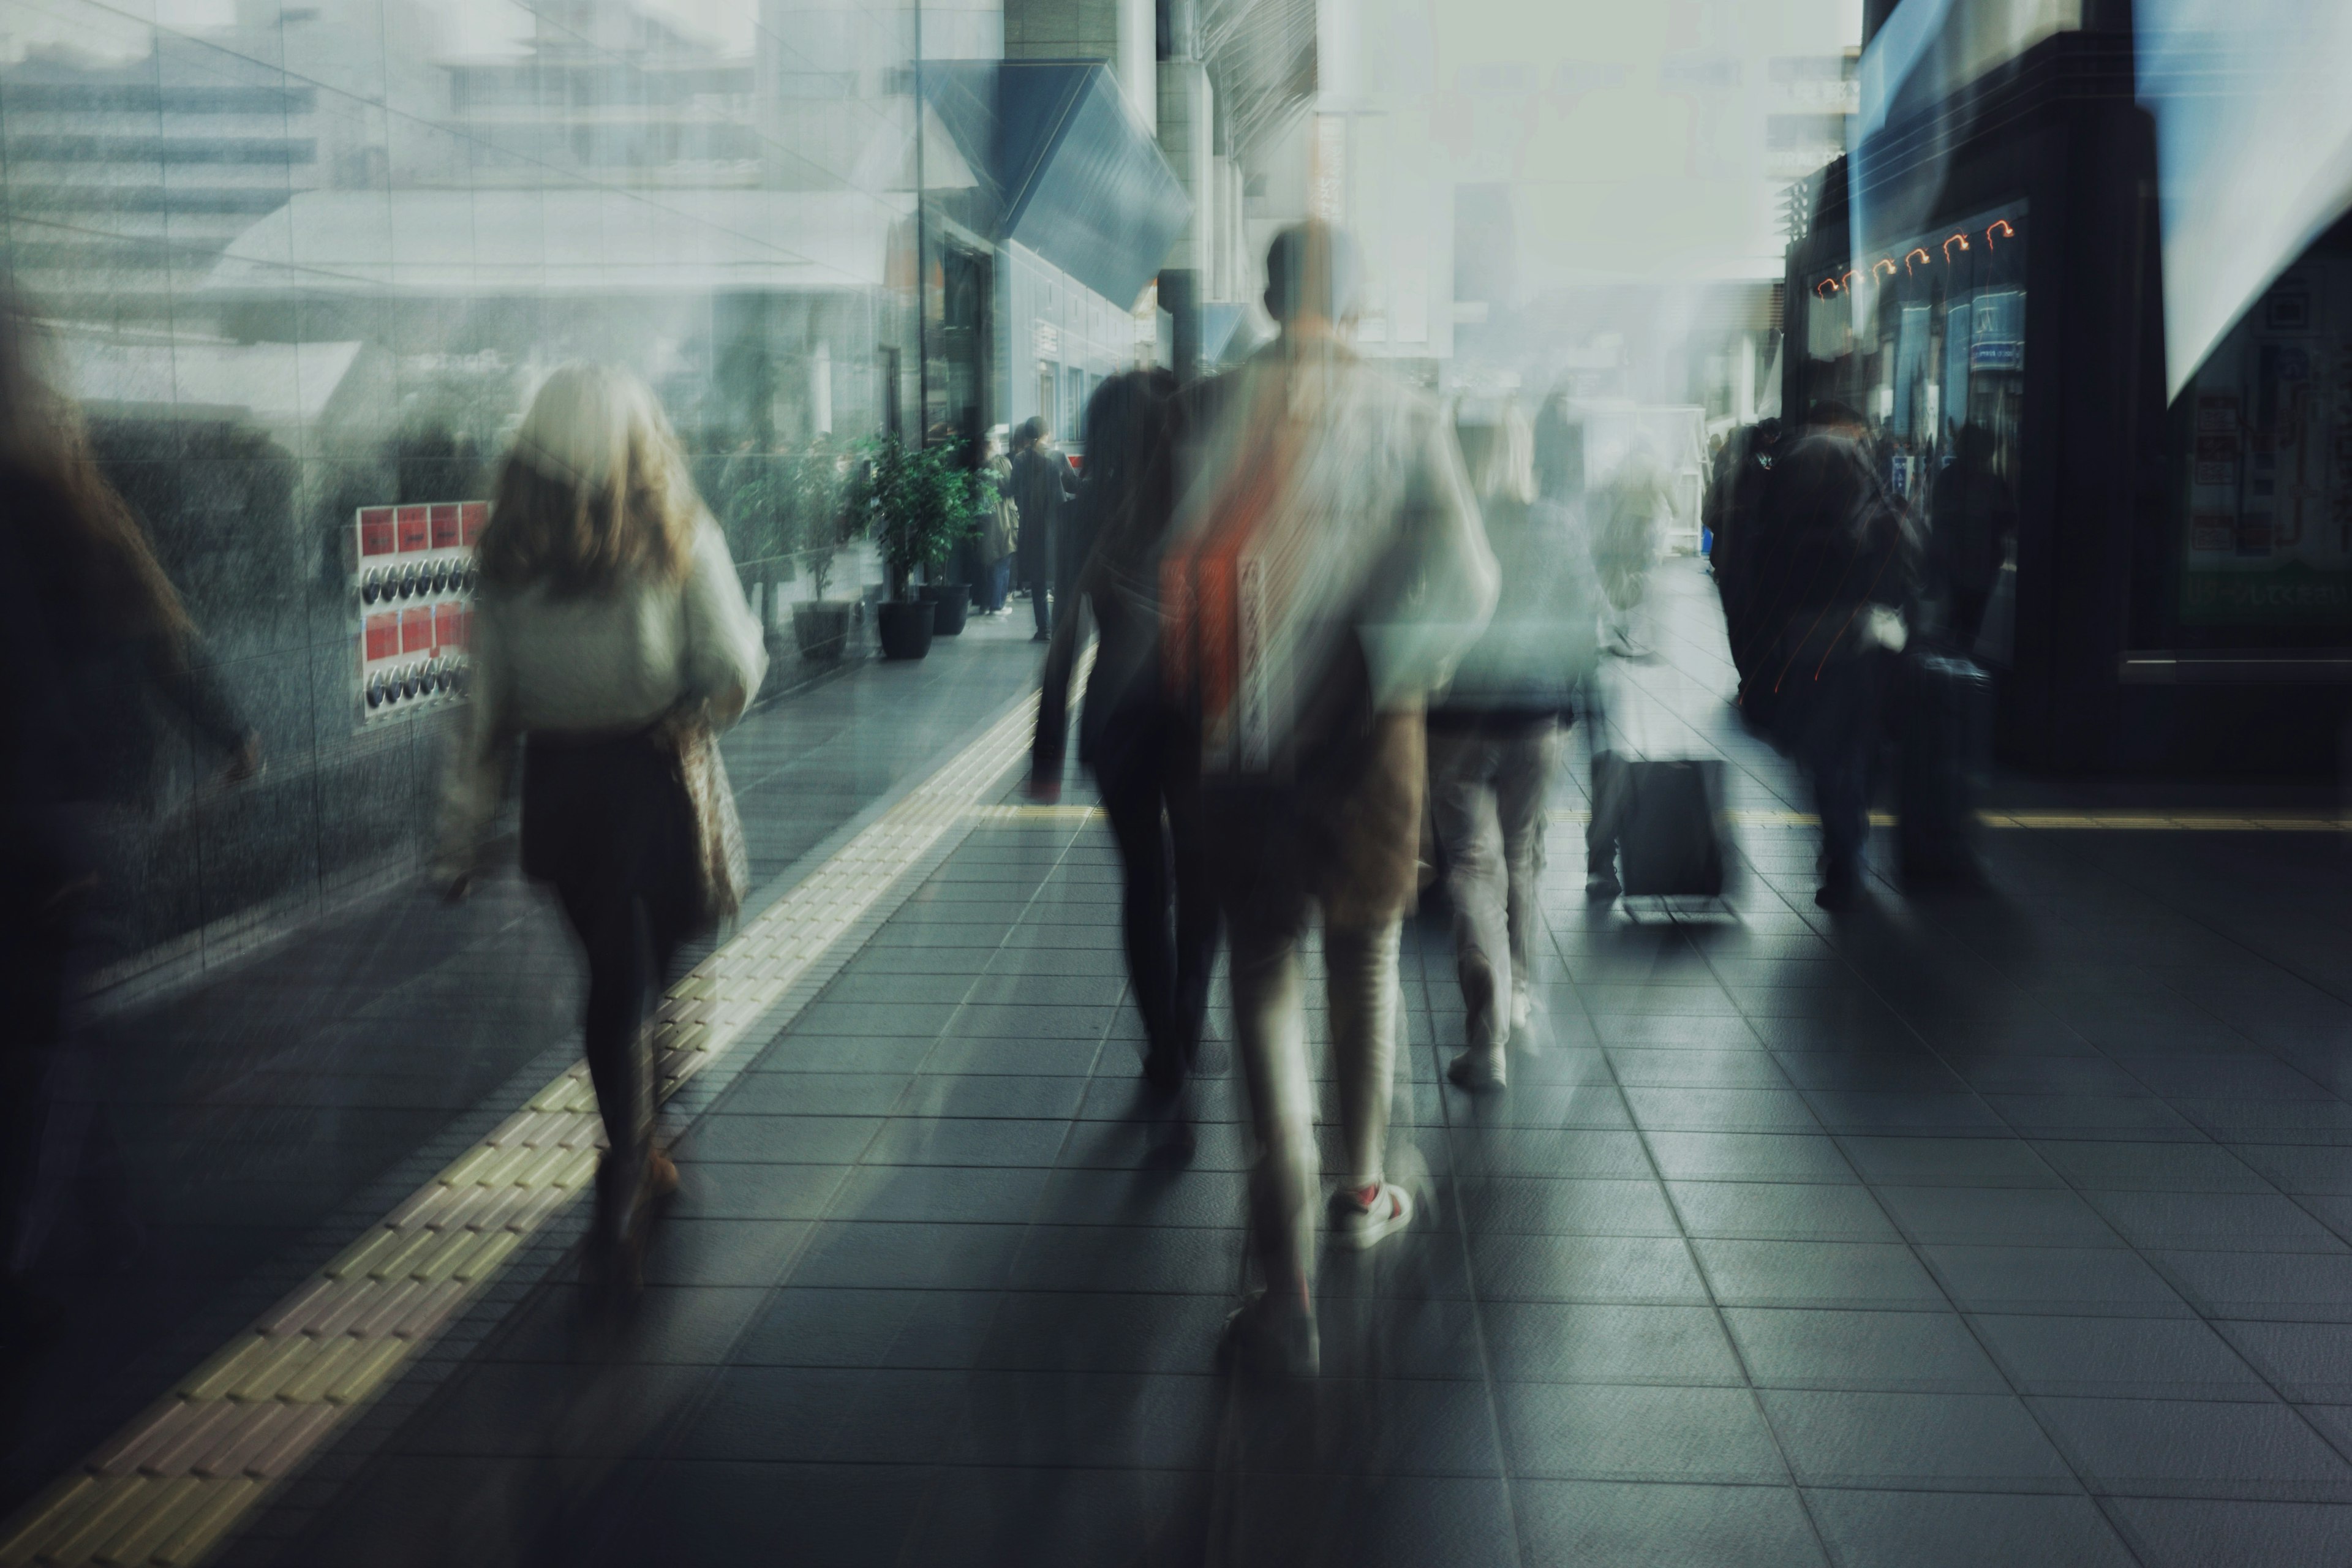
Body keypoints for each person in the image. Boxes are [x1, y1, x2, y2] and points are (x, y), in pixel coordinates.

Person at [1167, 222, 1496, 1376]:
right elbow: (1471, 577)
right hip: (1371, 740)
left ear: (1266, 298)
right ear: (1356, 306)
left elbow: (1179, 573)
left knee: (1265, 973)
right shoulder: (1406, 410)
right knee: (1363, 959)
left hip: (1244, 736)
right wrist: (1405, 671)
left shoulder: (1213, 405)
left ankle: (1285, 1277)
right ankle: (1362, 1189)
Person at [439, 364, 767, 1286]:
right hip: (654, 775)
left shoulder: (506, 558)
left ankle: (631, 1141)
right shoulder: (678, 535)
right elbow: (733, 664)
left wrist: (460, 839)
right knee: (661, 966)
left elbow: (482, 714)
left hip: (562, 787)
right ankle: (636, 1150)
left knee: (610, 977)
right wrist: (707, 705)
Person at [0, 303, 260, 1341]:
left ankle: (27, 1258)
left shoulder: (44, 510)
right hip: (91, 816)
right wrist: (233, 738)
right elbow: (167, 641)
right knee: (58, 1037)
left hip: (49, 821)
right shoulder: (80, 500)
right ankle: (107, 1231)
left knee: (50, 1043)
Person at [1030, 370, 1219, 1093]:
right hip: (1200, 718)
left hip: (1116, 720)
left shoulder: (1086, 510)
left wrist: (1048, 748)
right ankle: (1189, 1013)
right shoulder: (1202, 506)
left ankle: (1163, 1048)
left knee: (1146, 881)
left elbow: (1064, 638)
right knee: (1201, 880)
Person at [1428, 400, 1599, 1088]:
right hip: (1540, 716)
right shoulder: (1558, 524)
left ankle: (1486, 1034)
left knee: (1472, 866)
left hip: (1462, 713)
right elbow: (1585, 620)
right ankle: (1520, 993)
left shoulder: (1452, 522)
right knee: (1522, 857)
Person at [1732, 414, 1918, 910]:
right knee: (1855, 753)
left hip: (1808, 655)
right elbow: (1904, 579)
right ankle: (1848, 842)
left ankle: (1844, 853)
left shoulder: (1785, 522)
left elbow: (1760, 589)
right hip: (1864, 657)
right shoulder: (1875, 516)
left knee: (1826, 760)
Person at [1928, 422, 2015, 649]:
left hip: (1958, 562)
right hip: (1979, 563)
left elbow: (1938, 519)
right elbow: (2009, 520)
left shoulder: (1948, 478)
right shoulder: (1994, 482)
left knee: (1953, 619)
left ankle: (1951, 659)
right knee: (1968, 622)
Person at [1010, 417, 1074, 641]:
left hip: (1032, 526)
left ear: (1027, 435)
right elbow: (1073, 485)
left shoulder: (1019, 460)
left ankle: (1044, 629)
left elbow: (1013, 489)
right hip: (1057, 525)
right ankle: (1063, 627)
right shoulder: (1057, 457)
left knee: (1038, 579)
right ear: (1047, 432)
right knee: (1060, 578)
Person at [975, 425, 1016, 614]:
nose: (1000, 443)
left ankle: (986, 603)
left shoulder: (980, 465)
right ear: (989, 444)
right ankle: (997, 604)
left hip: (985, 519)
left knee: (989, 563)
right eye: (997, 440)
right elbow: (1010, 486)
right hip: (1001, 518)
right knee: (1002, 558)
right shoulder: (1000, 463)